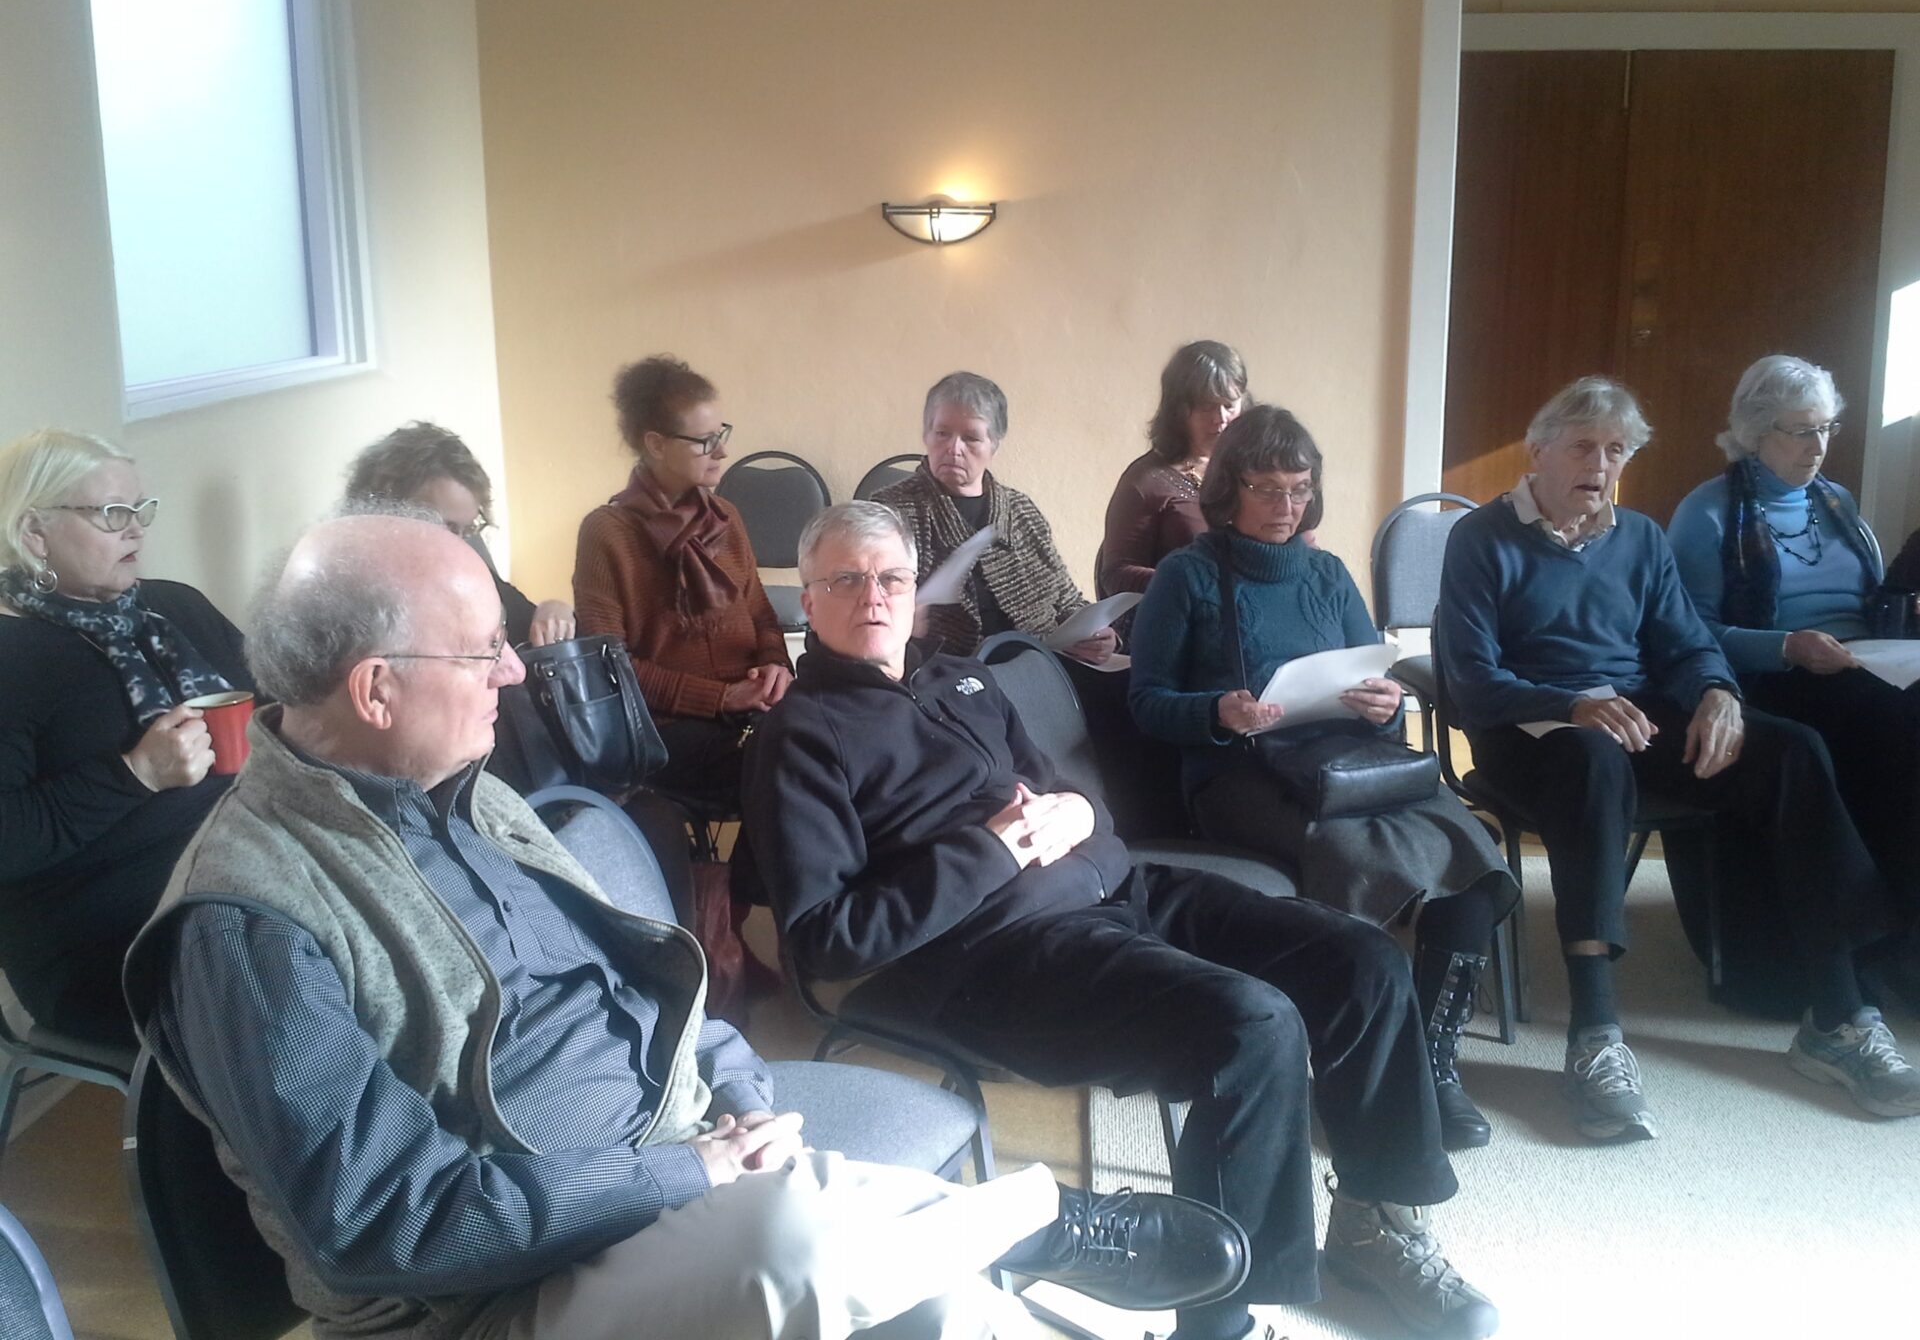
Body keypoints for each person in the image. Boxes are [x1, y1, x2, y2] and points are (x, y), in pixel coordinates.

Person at [120, 508, 1251, 1340]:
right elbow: (388, 1226)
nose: (515, 671)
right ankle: (1036, 1222)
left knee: (940, 1307)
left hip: (675, 1173)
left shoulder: (472, 797)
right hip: (487, 1296)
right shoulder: (250, 922)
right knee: (792, 1248)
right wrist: (685, 1175)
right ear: (375, 691)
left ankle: (990, 1239)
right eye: (481, 651)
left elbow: (648, 979)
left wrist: (737, 1086)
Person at [744, 500, 1500, 1340]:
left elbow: (1076, 801)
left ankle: (1374, 1221)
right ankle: (1218, 1323)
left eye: (891, 577)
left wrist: (1079, 818)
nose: (874, 596)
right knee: (1250, 1027)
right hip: (988, 959)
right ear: (808, 602)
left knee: (1361, 960)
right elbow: (827, 940)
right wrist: (993, 852)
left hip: (1114, 890)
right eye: (847, 580)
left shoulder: (960, 678)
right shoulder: (800, 734)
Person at [1436, 376, 1919, 1141]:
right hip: (1528, 728)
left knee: (1791, 751)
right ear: (1538, 452)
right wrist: (1572, 704)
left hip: (1633, 713)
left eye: (1616, 450)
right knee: (1592, 759)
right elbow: (1471, 680)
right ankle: (1595, 1036)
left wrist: (1718, 693)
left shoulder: (1639, 537)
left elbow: (1686, 644)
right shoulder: (1481, 538)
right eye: (1584, 447)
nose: (1601, 464)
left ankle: (1839, 1014)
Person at [1128, 406, 1518, 1152]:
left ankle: (1432, 1067)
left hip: (1349, 766)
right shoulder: (1187, 575)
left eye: (1300, 489)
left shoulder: (1328, 573)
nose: (1287, 506)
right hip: (1239, 774)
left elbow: (1375, 686)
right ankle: (1354, 1069)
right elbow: (1146, 702)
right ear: (1228, 488)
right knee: (1353, 857)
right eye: (1268, 489)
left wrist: (1384, 707)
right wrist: (1217, 711)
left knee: (1470, 853)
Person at [1668, 355, 1920, 1007]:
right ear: (1756, 431)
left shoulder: (1835, 502)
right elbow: (1689, 632)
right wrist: (1786, 646)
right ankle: (1877, 944)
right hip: (1773, 676)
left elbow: (1870, 597)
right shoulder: (1707, 513)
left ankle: (1904, 936)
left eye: (1827, 428)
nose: (1820, 446)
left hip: (1859, 665)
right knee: (1895, 726)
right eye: (1802, 431)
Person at [0, 428, 251, 1045]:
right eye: (112, 513)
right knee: (297, 983)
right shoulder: (11, 660)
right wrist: (135, 775)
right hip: (106, 935)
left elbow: (279, 700)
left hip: (247, 875)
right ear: (34, 533)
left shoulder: (175, 609)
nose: (136, 530)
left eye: (140, 509)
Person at [573, 356, 793, 810]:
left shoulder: (726, 517)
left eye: (721, 434)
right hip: (666, 729)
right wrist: (722, 697)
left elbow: (761, 615)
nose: (722, 452)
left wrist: (775, 665)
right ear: (655, 444)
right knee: (789, 768)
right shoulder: (607, 532)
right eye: (705, 441)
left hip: (750, 712)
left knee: (838, 742)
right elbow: (610, 668)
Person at [871, 373, 1116, 664]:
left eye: (971, 438)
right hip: (945, 672)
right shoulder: (889, 512)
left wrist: (1098, 635)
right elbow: (867, 604)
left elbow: (1065, 600)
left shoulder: (1021, 511)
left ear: (994, 445)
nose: (954, 448)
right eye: (942, 433)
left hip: (1041, 664)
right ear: (926, 435)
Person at [345, 420, 575, 648]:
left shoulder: (467, 573)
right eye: (446, 527)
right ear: (386, 515)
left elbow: (529, 622)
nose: (462, 546)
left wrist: (552, 610)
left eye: (469, 530)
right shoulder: (352, 608)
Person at [1097, 341, 1251, 603]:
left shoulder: (1254, 470)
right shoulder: (1146, 481)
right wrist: (1191, 582)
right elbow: (1115, 575)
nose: (1220, 418)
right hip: (1178, 618)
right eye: (1206, 406)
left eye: (1229, 405)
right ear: (1178, 410)